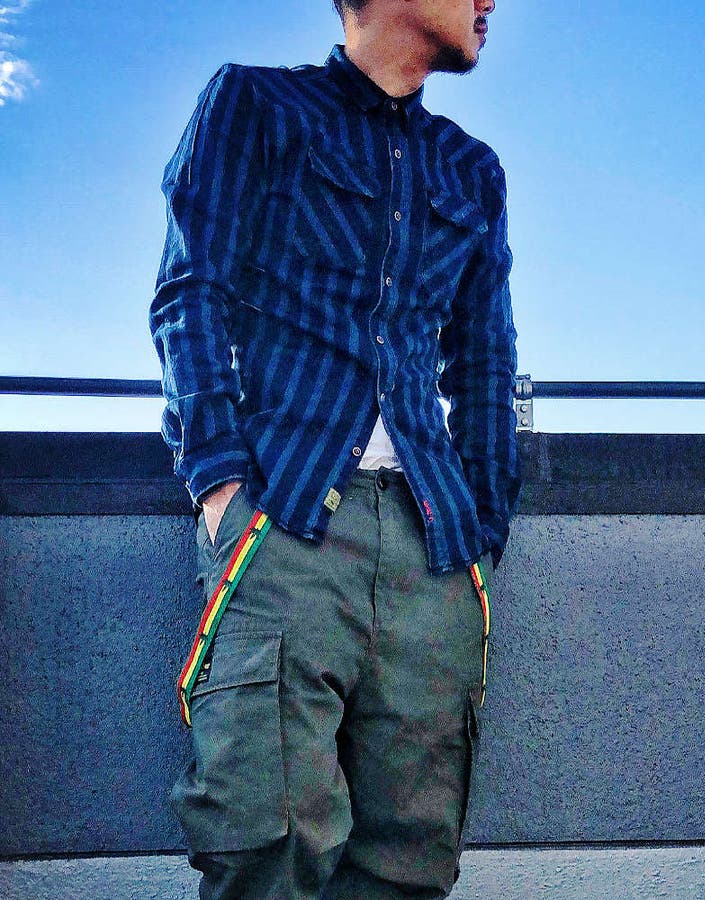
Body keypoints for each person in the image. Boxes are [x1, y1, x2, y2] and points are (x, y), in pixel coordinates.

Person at [150, 0, 520, 896]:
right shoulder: (256, 106)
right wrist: (221, 491)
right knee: (265, 851)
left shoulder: (472, 170)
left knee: (408, 864)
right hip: (285, 523)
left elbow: (486, 360)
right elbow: (190, 291)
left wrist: (481, 536)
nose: (493, 2)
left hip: (434, 551)